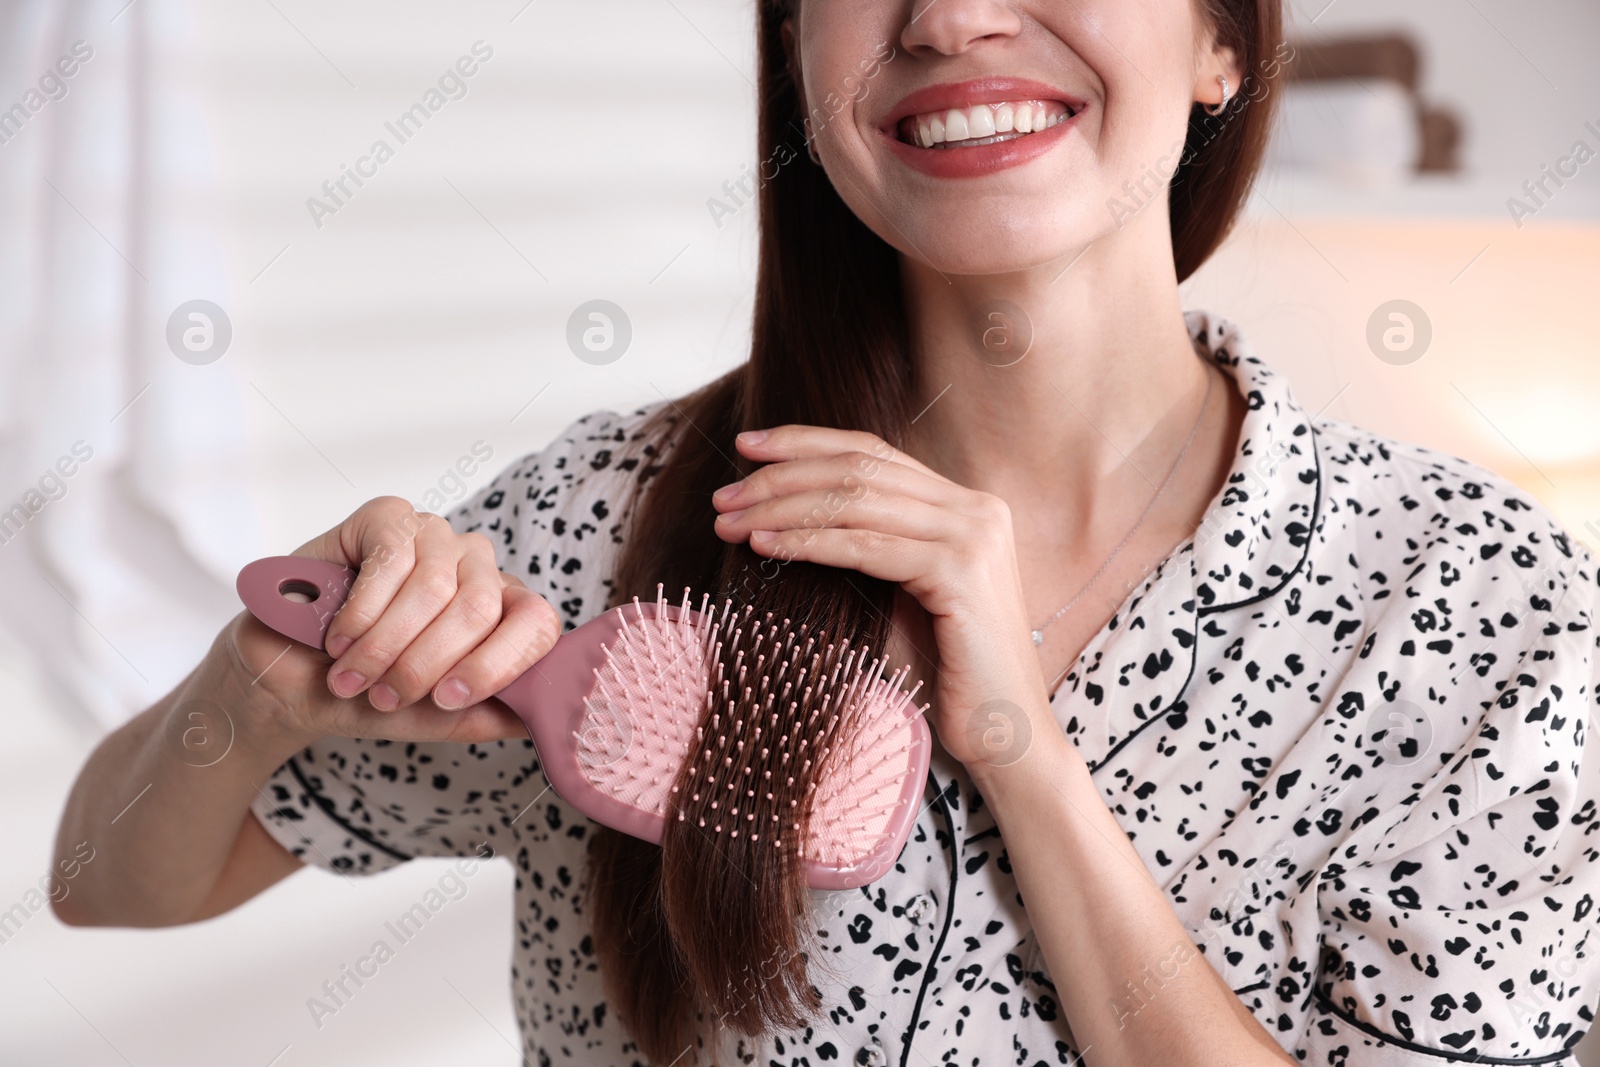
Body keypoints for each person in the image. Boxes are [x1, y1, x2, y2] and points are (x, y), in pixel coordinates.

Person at [52, 0, 1600, 1063]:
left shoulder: (1481, 612)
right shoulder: (612, 526)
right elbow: (107, 880)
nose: (945, 17)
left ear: (1216, 36)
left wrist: (1016, 745)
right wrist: (251, 693)